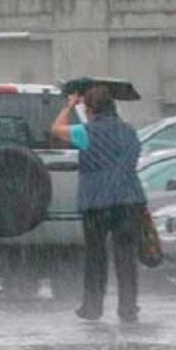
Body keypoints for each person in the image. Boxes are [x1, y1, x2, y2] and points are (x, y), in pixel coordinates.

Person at [51, 85, 147, 323]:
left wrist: (69, 106)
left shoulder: (85, 132)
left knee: (96, 255)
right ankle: (128, 308)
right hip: (129, 200)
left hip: (96, 202)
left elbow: (56, 129)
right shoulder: (129, 132)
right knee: (126, 256)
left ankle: (92, 308)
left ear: (90, 109)